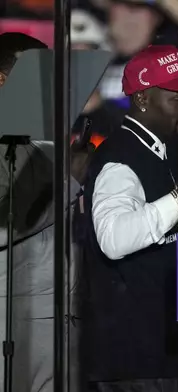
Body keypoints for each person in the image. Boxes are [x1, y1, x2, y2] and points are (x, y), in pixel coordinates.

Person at [81, 44, 178, 392]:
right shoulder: (122, 157)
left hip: (153, 356)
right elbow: (114, 239)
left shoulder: (151, 152)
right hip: (134, 362)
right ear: (144, 99)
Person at [0, 32, 92, 392]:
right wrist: (69, 179)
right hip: (14, 314)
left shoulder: (45, 138)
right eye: (36, 74)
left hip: (62, 312)